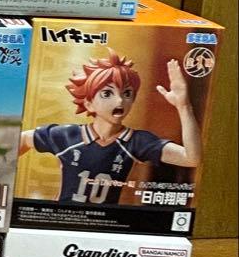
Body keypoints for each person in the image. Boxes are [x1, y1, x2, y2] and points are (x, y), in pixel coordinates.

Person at [21, 50, 200, 207]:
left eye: (127, 93)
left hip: (104, 223)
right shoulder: (67, 136)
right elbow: (21, 139)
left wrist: (184, 106)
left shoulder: (137, 142)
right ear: (89, 103)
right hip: (64, 221)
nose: (120, 101)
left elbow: (192, 159)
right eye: (107, 93)